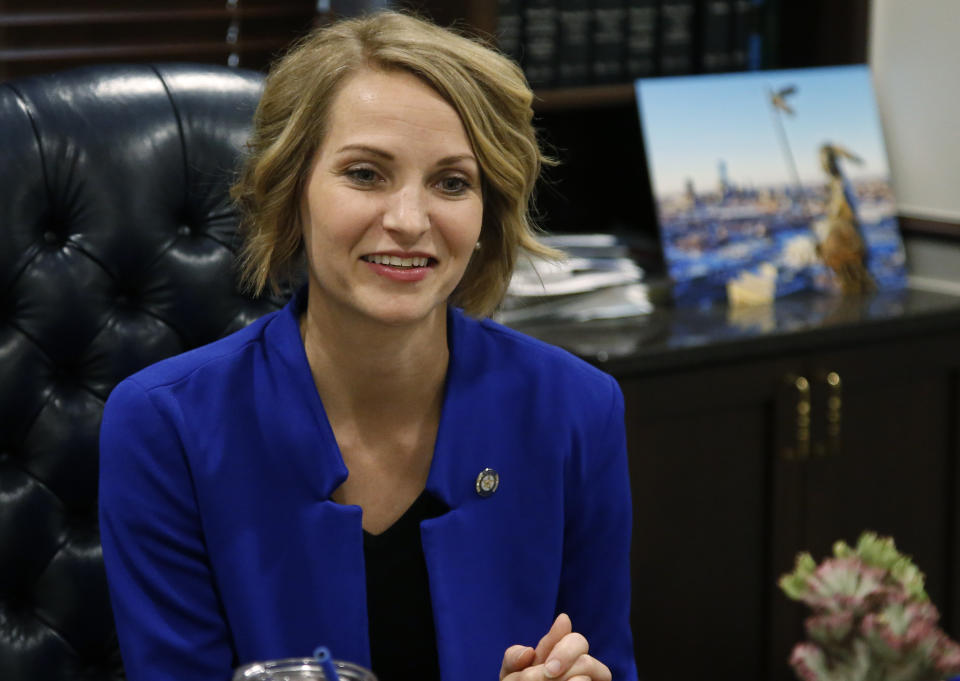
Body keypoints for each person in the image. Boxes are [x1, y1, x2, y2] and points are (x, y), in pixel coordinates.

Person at [99, 10, 636, 681]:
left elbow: (607, 656)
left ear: (485, 215)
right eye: (365, 173)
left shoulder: (576, 410)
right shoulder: (164, 426)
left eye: (451, 182)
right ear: (292, 189)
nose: (409, 221)